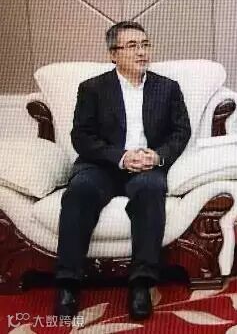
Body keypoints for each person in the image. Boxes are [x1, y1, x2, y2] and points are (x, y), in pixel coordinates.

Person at [54, 21, 191, 320]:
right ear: (113, 54)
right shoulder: (92, 88)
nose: (142, 52)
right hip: (103, 165)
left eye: (145, 44)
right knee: (79, 191)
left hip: (147, 166)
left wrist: (157, 156)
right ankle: (68, 283)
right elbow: (82, 136)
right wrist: (121, 157)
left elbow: (181, 132)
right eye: (132, 46)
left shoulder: (167, 88)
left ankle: (142, 283)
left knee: (150, 190)